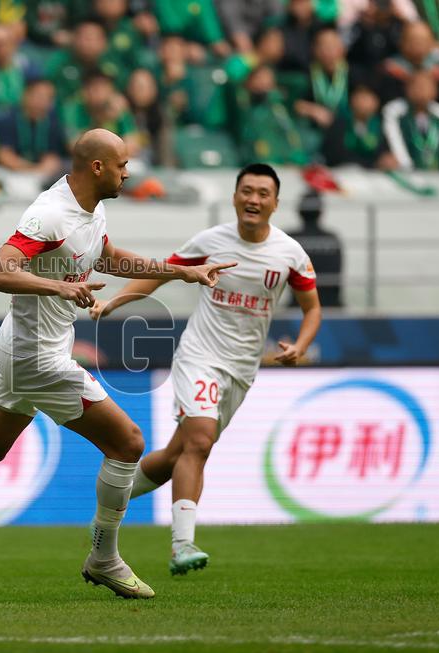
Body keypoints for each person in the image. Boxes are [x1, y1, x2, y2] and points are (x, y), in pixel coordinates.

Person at [0, 128, 235, 599]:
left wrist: (181, 272)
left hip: (22, 348)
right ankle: (104, 557)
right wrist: (59, 288)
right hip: (38, 357)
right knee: (128, 442)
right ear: (97, 167)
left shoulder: (91, 210)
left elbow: (109, 259)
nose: (128, 171)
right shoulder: (49, 214)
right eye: (121, 164)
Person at [89, 163, 321, 575]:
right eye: (246, 191)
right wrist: (113, 303)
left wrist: (299, 346)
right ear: (234, 197)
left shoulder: (290, 254)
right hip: (199, 356)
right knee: (199, 442)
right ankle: (182, 546)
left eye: (262, 193)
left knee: (178, 454)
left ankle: (109, 507)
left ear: (275, 203)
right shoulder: (210, 241)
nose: (253, 199)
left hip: (241, 369)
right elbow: (160, 276)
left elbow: (312, 307)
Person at [382, 70, 439, 172]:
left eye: (426, 86)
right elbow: (395, 143)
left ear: (435, 90)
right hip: (407, 174)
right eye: (416, 85)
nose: (421, 90)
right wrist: (408, 169)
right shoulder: (395, 112)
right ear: (407, 88)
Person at [0, 77, 64, 175]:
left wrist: (42, 168)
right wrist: (32, 168)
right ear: (26, 95)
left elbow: (52, 158)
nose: (44, 102)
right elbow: (4, 155)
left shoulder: (52, 122)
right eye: (40, 96)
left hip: (41, 175)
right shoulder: (8, 119)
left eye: (49, 98)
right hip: (12, 173)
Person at [285, 191, 343, 307]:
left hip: (299, 305)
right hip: (331, 305)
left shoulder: (290, 239)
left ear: (299, 211)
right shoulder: (333, 239)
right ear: (321, 212)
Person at [321, 83, 392, 169]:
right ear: (352, 100)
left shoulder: (382, 126)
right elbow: (334, 154)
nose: (363, 103)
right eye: (360, 98)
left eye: (367, 98)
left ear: (376, 102)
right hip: (342, 171)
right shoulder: (340, 123)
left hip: (372, 174)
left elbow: (383, 155)